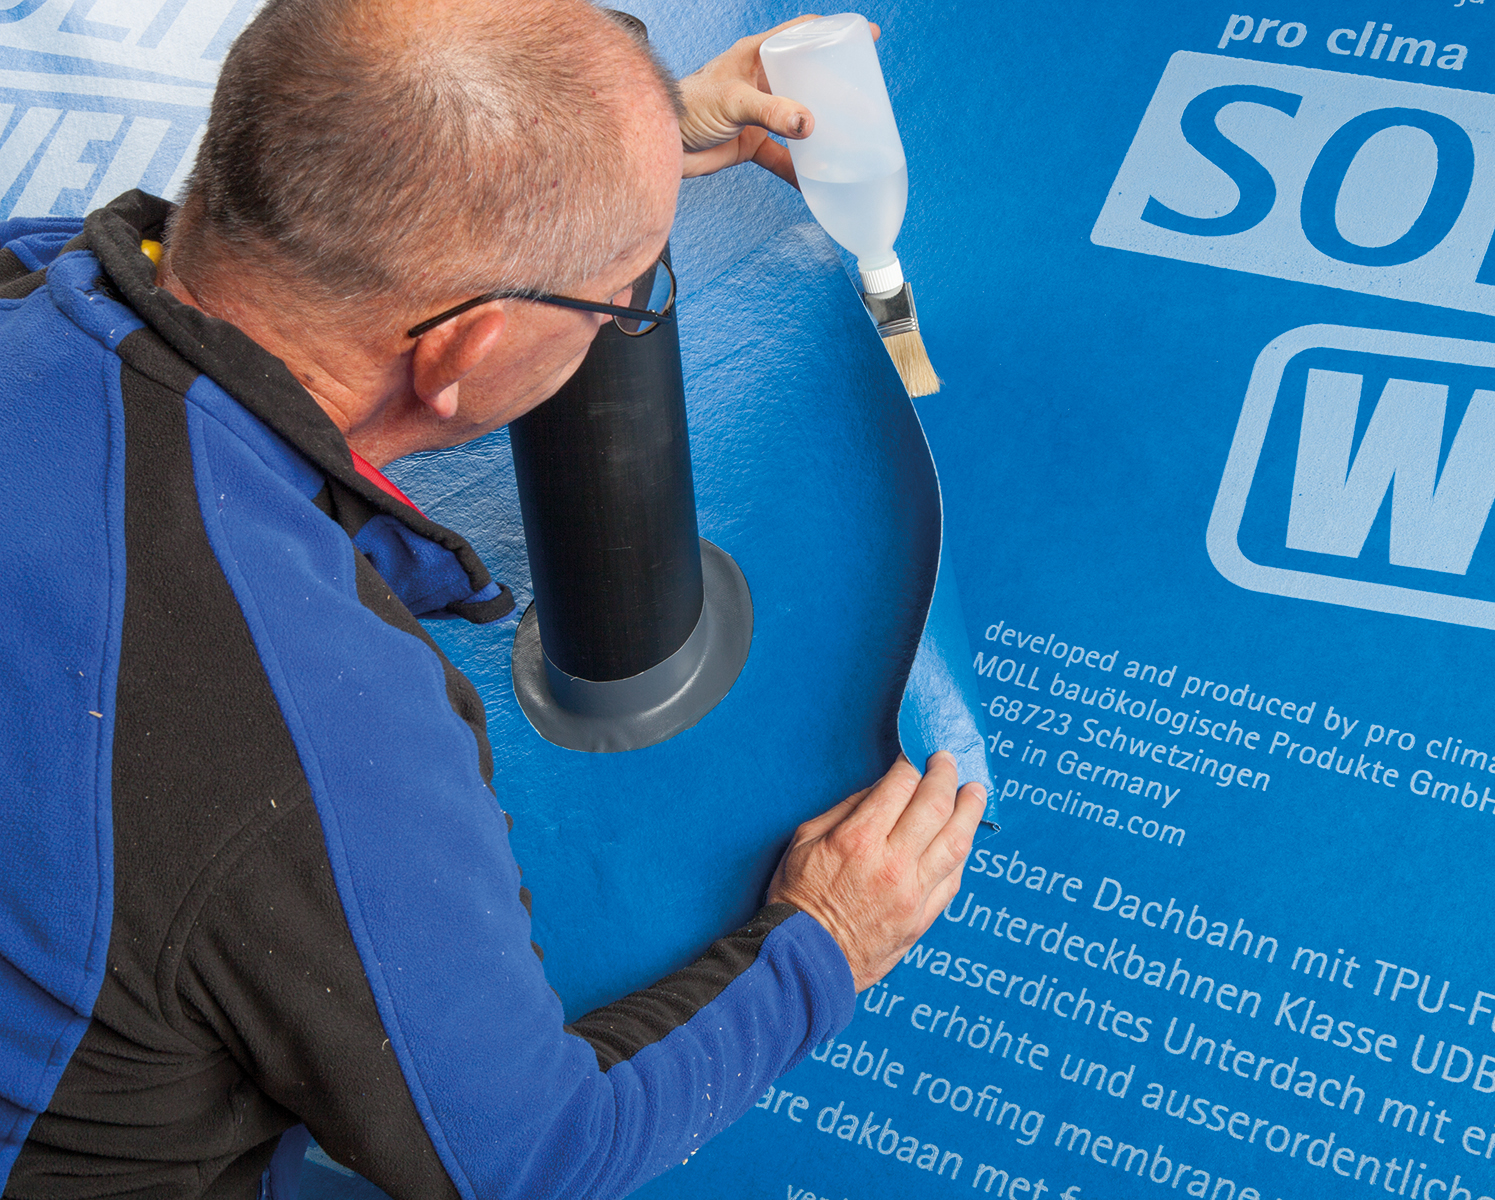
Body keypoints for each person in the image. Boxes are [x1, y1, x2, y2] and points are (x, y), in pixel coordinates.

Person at [0, 1, 985, 1197]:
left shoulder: (30, 284)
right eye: (619, 299)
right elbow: (526, 1160)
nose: (626, 309)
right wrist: (825, 942)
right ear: (463, 354)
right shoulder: (308, 722)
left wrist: (613, 162)